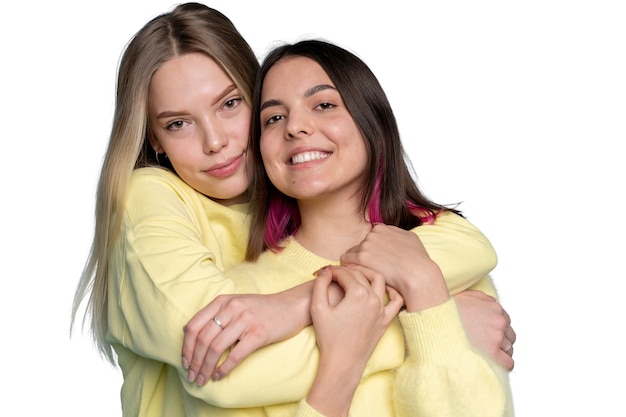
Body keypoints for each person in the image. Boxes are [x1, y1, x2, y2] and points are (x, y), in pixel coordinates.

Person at [70, 3, 514, 417]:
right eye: (178, 123)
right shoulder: (158, 203)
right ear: (152, 138)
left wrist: (404, 286)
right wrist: (432, 324)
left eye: (230, 104)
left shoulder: (428, 253)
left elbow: (465, 244)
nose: (215, 141)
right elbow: (224, 360)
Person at [183, 39, 515, 416]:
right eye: (273, 118)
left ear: (371, 119)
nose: (295, 127)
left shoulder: (444, 261)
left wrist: (422, 284)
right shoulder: (241, 297)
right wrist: (423, 326)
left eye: (324, 105)